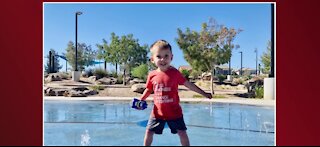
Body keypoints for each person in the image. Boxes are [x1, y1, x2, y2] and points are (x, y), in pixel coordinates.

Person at [139, 40, 213, 146]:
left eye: (166, 56)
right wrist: (141, 99)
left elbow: (188, 84)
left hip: (175, 113)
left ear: (171, 57)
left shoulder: (175, 73)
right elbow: (149, 89)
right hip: (156, 114)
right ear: (152, 59)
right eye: (159, 56)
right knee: (149, 132)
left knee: (182, 133)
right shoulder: (152, 75)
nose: (163, 59)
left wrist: (204, 93)